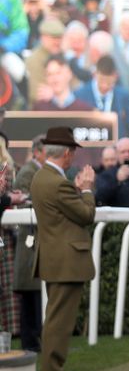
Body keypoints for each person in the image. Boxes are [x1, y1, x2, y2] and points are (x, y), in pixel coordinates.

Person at [30, 126, 96, 371]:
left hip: (54, 257)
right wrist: (88, 189)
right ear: (67, 154)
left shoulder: (42, 178)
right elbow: (85, 215)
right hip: (66, 260)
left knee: (55, 317)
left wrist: (77, 190)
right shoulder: (57, 183)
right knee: (60, 320)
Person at [12, 135, 45, 352]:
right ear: (37, 152)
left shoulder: (38, 172)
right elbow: (22, 206)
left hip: (36, 244)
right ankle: (30, 343)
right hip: (28, 243)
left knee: (35, 298)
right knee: (29, 299)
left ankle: (35, 341)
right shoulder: (28, 172)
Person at [74, 54, 129, 150]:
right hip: (90, 152)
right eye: (101, 81)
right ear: (95, 74)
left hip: (115, 153)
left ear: (115, 76)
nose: (105, 86)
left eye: (109, 83)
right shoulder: (80, 95)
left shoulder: (123, 96)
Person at [25, 18, 64, 106]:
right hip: (41, 112)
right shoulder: (35, 59)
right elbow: (37, 94)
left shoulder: (64, 56)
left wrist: (55, 93)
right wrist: (60, 93)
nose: (57, 42)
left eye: (60, 38)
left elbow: (75, 86)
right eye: (54, 38)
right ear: (43, 38)